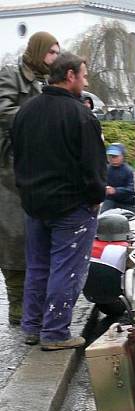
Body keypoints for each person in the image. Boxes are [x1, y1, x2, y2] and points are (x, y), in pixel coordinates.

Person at [11, 52, 106, 350]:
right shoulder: (81, 115)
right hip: (71, 207)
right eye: (84, 75)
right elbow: (93, 166)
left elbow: (18, 156)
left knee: (37, 267)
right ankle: (54, 333)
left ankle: (32, 326)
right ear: (70, 76)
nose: (85, 81)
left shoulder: (26, 111)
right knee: (66, 270)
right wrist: (95, 199)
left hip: (34, 203)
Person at [0, 31, 60, 327]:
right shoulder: (12, 76)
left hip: (36, 168)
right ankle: (16, 306)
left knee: (37, 238)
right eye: (51, 53)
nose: (55, 59)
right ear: (37, 52)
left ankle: (33, 305)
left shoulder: (44, 83)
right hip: (9, 169)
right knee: (13, 237)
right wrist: (39, 114)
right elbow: (4, 111)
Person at [100, 143, 135, 213]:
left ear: (122, 156)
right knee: (103, 216)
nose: (113, 159)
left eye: (116, 156)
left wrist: (115, 190)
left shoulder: (128, 171)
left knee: (130, 218)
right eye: (110, 156)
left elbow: (131, 189)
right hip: (111, 200)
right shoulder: (106, 169)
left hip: (127, 202)